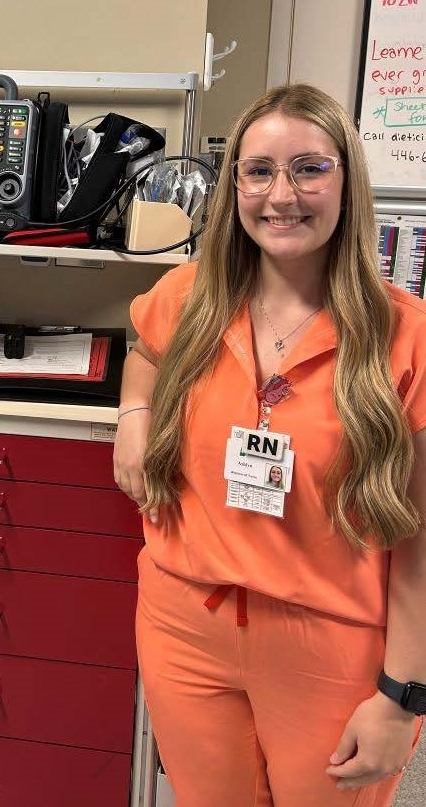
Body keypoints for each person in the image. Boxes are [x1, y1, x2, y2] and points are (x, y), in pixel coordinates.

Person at [114, 84, 426, 806]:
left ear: (347, 181)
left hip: (329, 646)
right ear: (235, 186)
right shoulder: (188, 297)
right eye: (259, 171)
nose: (281, 195)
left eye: (310, 168)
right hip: (183, 627)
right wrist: (134, 415)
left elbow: (419, 544)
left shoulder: (404, 338)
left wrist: (404, 697)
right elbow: (146, 353)